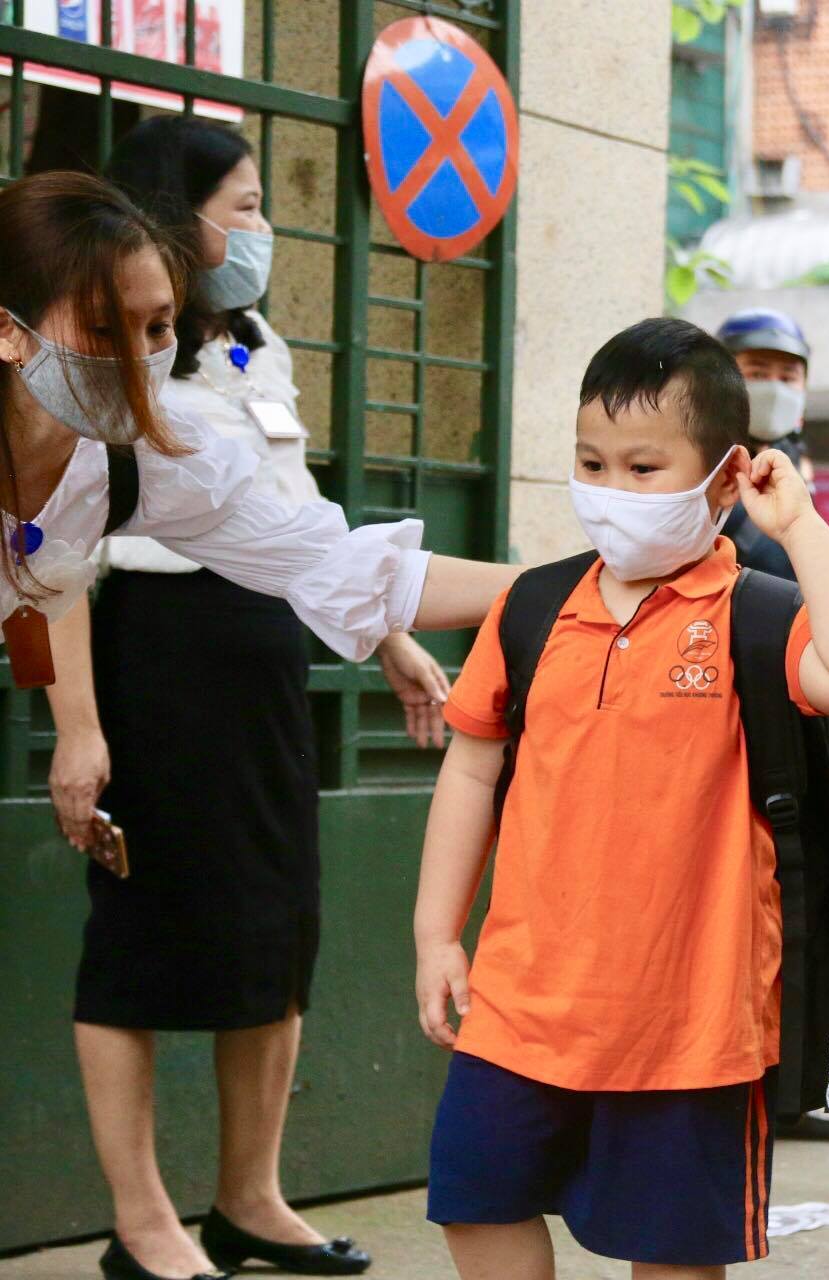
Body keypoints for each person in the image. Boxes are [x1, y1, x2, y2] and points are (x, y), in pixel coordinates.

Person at [0, 171, 517, 1280]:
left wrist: (562, 587)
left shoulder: (141, 455)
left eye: (156, 327)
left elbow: (338, 565)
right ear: (7, 332)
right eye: (105, 330)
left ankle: (242, 1200)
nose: (140, 357)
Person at [412, 317, 829, 1279]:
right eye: (591, 464)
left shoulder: (756, 614)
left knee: (671, 1255)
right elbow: (471, 768)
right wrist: (436, 935)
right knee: (475, 1205)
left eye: (644, 468)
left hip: (692, 1027)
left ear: (724, 479)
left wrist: (797, 525)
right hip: (520, 1008)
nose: (611, 491)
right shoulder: (533, 607)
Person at [714, 307, 812, 581]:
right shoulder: (699, 460)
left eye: (788, 378)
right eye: (757, 374)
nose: (775, 390)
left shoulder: (794, 461)